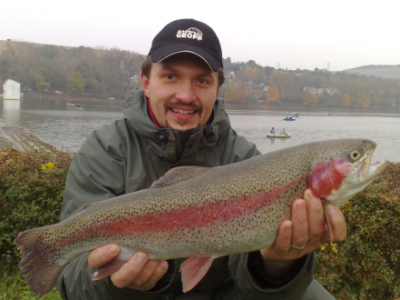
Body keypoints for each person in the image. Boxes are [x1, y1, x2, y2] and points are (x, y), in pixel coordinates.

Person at [56, 19, 346, 300]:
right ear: (146, 83)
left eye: (202, 81)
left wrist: (279, 265)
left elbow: (249, 274)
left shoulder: (242, 157)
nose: (185, 95)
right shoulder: (105, 149)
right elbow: (72, 280)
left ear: (216, 91)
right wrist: (117, 284)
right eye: (170, 76)